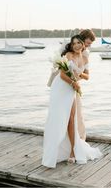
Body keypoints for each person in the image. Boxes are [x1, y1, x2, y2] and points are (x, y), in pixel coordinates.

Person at [42, 35, 102, 168]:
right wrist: (74, 83)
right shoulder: (68, 55)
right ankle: (54, 151)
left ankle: (73, 151)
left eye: (78, 43)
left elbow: (87, 76)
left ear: (82, 44)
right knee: (59, 118)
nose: (76, 45)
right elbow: (63, 75)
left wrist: (79, 75)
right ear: (71, 45)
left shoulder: (85, 57)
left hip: (71, 88)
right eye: (74, 43)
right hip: (61, 86)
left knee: (72, 119)